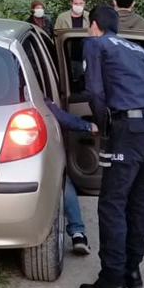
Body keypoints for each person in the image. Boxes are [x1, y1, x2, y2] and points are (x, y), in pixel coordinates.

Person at [78, 5, 144, 288]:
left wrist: (104, 125)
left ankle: (111, 282)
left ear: (93, 25)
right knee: (139, 200)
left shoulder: (95, 43)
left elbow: (94, 91)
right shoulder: (139, 51)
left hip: (130, 128)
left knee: (112, 203)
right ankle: (132, 271)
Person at [44, 98, 97, 255]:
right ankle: (77, 233)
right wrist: (87, 126)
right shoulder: (24, 88)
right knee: (62, 181)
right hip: (29, 153)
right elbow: (60, 117)